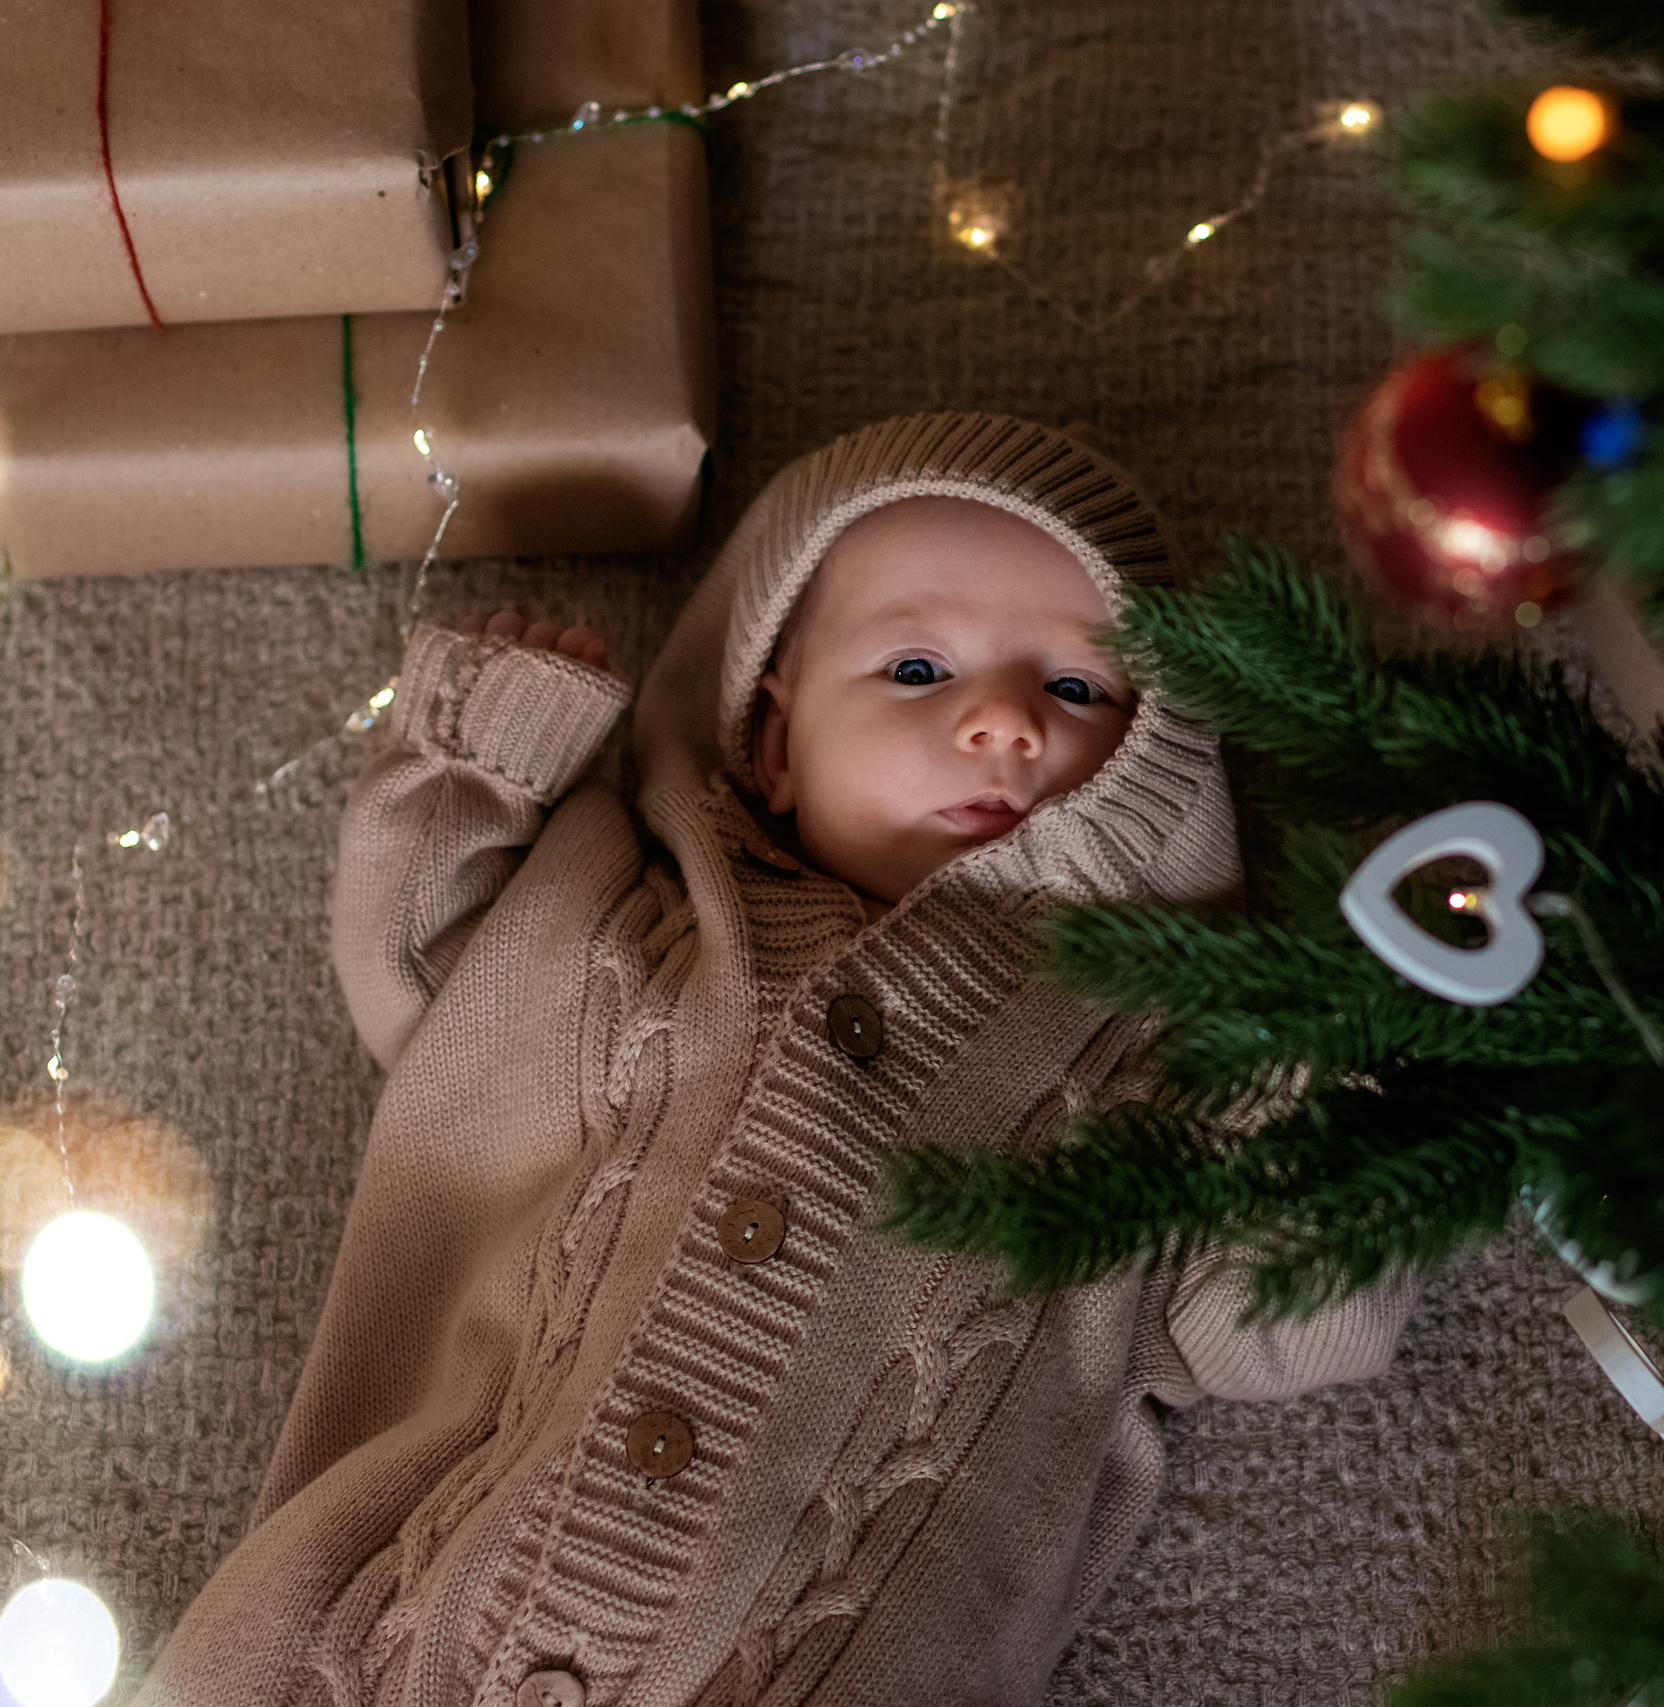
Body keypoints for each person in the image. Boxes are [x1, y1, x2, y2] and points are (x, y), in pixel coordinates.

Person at [140, 414, 1414, 1707]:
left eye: (1077, 689)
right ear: (770, 741)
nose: (1002, 721)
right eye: (918, 668)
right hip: (382, 1641)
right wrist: (482, 764)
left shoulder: (1150, 1076)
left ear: (1155, 771)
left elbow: (1300, 1322)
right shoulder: (642, 929)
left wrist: (1323, 1076)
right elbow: (424, 975)